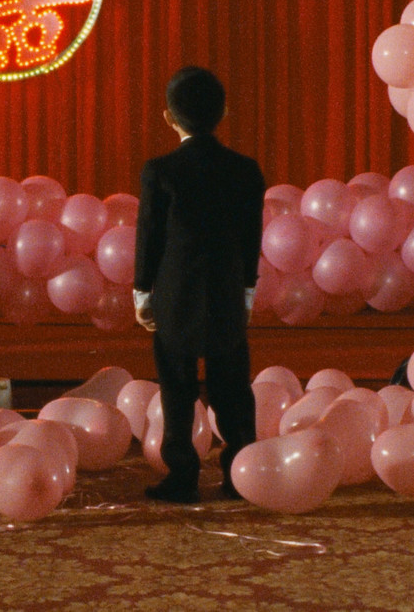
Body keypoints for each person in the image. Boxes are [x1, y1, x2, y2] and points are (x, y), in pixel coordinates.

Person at [133, 67, 266, 503]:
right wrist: (247, 293)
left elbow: (149, 238)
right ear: (224, 112)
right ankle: (240, 472)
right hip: (226, 295)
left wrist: (142, 292)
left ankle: (182, 475)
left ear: (168, 117)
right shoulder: (246, 170)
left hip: (175, 298)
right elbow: (251, 240)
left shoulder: (160, 171)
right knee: (233, 388)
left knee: (176, 389)